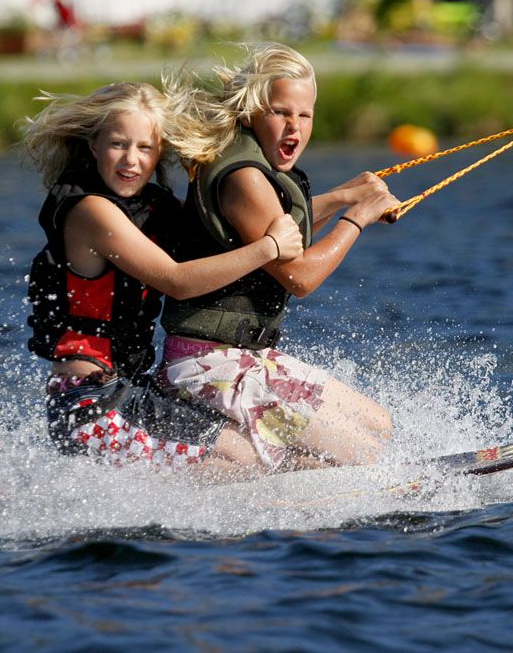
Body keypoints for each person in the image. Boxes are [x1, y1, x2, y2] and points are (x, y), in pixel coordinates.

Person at [22, 81, 304, 476]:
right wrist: (270, 247)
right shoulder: (90, 211)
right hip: (88, 407)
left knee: (263, 444)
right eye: (118, 144)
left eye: (145, 148)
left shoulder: (151, 206)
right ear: (94, 146)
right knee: (245, 460)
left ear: (160, 153)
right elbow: (177, 280)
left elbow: (241, 226)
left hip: (131, 391)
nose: (131, 161)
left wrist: (345, 202)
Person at [158, 43, 402, 472]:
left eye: (304, 115)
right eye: (280, 113)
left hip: (245, 357)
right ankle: (255, 482)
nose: (294, 127)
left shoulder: (249, 164)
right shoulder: (246, 179)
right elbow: (301, 277)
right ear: (251, 112)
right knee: (366, 453)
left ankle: (278, 484)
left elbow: (281, 227)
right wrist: (356, 218)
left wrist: (344, 195)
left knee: (378, 425)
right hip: (208, 363)